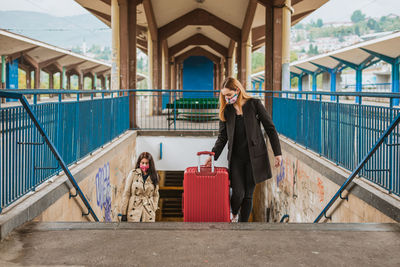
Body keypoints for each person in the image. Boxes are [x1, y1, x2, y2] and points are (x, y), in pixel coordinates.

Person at [205, 77, 282, 223]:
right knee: (238, 193)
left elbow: (270, 128)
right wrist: (213, 155)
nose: (226, 98)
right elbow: (222, 137)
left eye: (228, 95)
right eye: (224, 95)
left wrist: (278, 153)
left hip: (255, 158)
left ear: (237, 90)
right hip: (236, 159)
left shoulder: (254, 104)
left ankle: (243, 226)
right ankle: (234, 213)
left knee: (248, 195)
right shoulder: (226, 110)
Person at [121, 152, 160, 222]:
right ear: (139, 163)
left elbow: (156, 194)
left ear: (150, 164)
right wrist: (124, 213)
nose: (144, 165)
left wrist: (154, 207)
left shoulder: (154, 175)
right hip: (134, 208)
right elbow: (126, 194)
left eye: (146, 163)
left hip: (148, 210)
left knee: (147, 231)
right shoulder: (133, 173)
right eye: (142, 163)